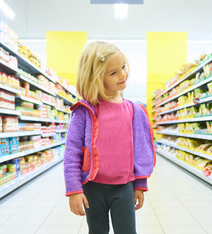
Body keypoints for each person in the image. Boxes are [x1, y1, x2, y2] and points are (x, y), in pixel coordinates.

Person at [64, 41, 156, 234]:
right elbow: (72, 150)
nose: (123, 74)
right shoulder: (85, 111)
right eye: (113, 73)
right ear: (95, 78)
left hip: (124, 187)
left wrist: (140, 183)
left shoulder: (133, 110)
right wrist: (74, 189)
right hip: (92, 187)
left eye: (123, 67)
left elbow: (140, 150)